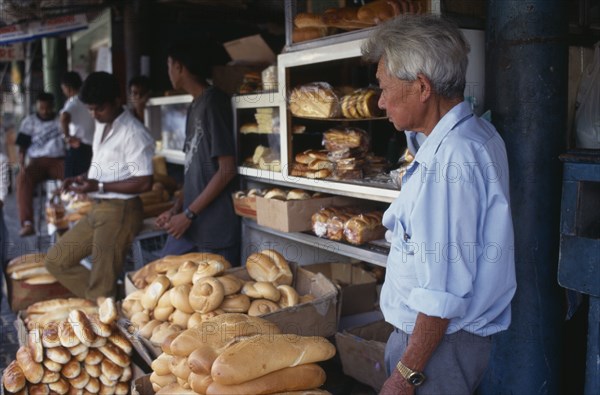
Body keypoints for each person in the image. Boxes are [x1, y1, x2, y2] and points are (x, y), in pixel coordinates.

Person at [361, 15, 517, 394]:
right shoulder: (470, 134)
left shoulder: (452, 163)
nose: (380, 102)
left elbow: (441, 295)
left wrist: (404, 376)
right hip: (445, 344)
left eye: (383, 88)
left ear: (422, 86)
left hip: (438, 348)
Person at [45, 72, 154, 300]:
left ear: (117, 100)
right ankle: (115, 299)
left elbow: (144, 181)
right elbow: (104, 166)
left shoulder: (133, 132)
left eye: (99, 109)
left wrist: (100, 185)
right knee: (56, 261)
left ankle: (106, 303)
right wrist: (81, 178)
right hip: (99, 206)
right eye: (90, 109)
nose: (94, 114)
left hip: (121, 211)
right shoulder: (103, 124)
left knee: (101, 286)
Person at [155, 40, 240, 265]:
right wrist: (176, 209)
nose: (168, 72)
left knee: (214, 295)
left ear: (179, 67)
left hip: (214, 230)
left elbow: (227, 169)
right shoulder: (194, 106)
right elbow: (192, 170)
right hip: (191, 225)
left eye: (168, 66)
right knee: (160, 274)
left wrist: (189, 214)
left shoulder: (214, 103)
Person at [15, 92, 64, 237]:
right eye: (41, 108)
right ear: (37, 106)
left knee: (72, 175)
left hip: (58, 159)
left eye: (47, 108)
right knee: (23, 178)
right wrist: (22, 164)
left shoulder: (60, 119)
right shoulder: (29, 121)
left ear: (52, 107)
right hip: (37, 162)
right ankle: (27, 223)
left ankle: (68, 221)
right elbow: (22, 147)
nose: (44, 111)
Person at [60, 71, 95, 178]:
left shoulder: (73, 102)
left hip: (79, 147)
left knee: (73, 183)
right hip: (93, 147)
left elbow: (64, 117)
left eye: (63, 89)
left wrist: (67, 137)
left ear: (68, 88)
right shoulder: (89, 99)